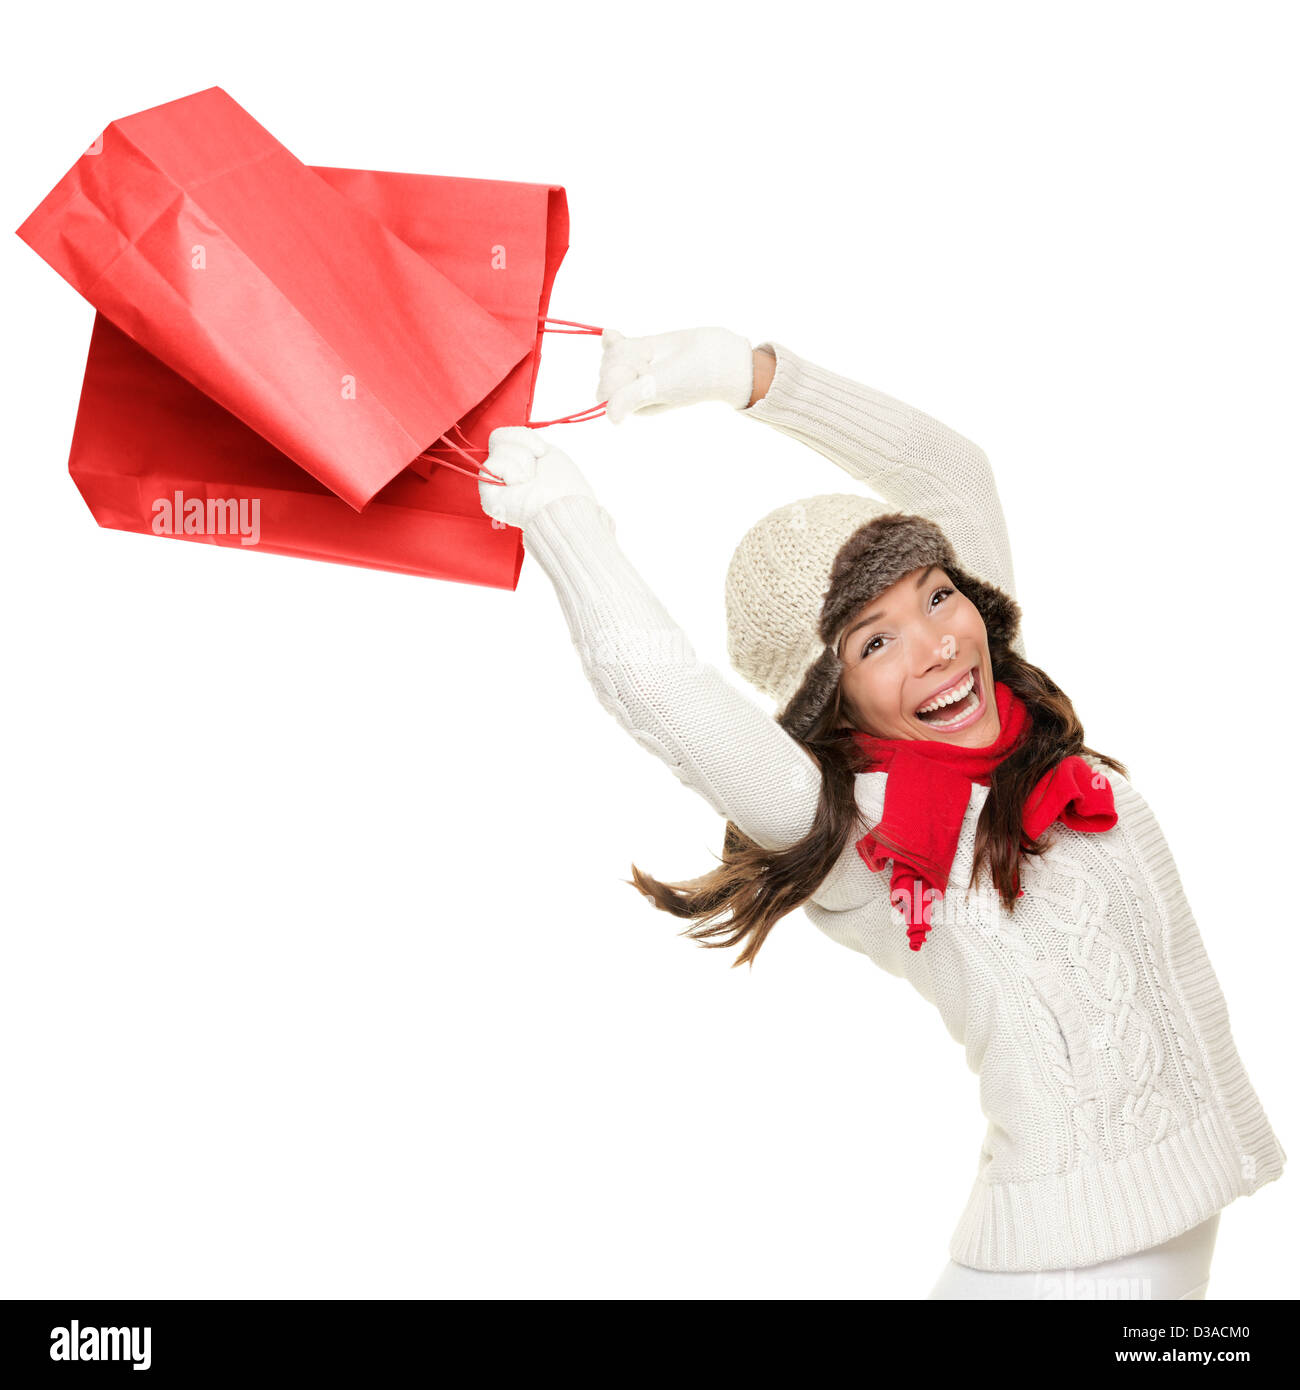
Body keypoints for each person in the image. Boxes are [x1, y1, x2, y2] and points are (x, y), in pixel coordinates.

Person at [476, 326, 1285, 1299]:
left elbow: (952, 472)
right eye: (874, 642)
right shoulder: (855, 833)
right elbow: (671, 698)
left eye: (937, 594)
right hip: (1070, 1275)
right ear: (830, 700)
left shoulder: (1011, 709)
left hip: (1134, 1254)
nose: (938, 644)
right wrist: (568, 525)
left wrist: (748, 377)